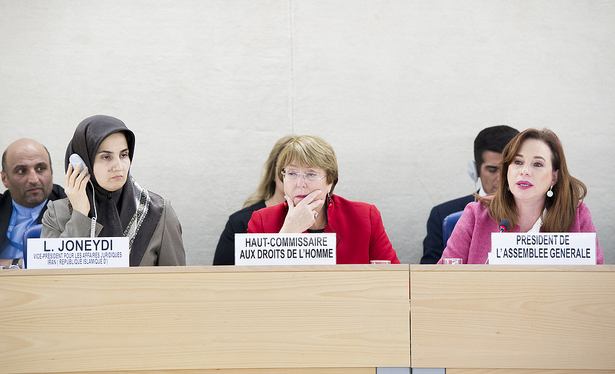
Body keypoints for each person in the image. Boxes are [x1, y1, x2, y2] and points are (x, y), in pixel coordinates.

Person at [439, 128, 604, 264]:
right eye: (518, 162)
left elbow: (595, 284)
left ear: (554, 176)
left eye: (537, 164)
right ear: (507, 170)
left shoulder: (576, 215)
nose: (524, 171)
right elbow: (444, 280)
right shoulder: (476, 214)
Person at [41, 115, 185, 266]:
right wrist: (80, 215)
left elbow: (177, 282)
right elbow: (53, 278)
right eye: (106, 157)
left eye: (124, 155)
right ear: (83, 162)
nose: (118, 166)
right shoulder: (57, 214)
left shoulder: (158, 212)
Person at [247, 135, 400, 264]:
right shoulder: (261, 221)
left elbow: (393, 278)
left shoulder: (365, 217)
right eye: (292, 173)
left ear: (330, 182)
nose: (300, 184)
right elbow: (252, 286)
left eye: (311, 174)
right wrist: (288, 234)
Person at [421, 125, 519, 264]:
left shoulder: (534, 213)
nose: (501, 178)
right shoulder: (443, 214)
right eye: (492, 170)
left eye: (507, 170)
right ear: (475, 171)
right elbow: (429, 275)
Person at [0, 139, 66, 269]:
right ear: (4, 178)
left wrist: (11, 264)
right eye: (21, 171)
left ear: (51, 172)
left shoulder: (73, 210)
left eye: (41, 168)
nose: (34, 180)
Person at [213, 135, 296, 265]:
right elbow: (221, 278)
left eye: (309, 173)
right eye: (291, 171)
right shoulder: (241, 222)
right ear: (273, 173)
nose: (299, 180)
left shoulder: (326, 219)